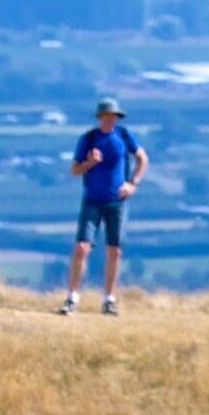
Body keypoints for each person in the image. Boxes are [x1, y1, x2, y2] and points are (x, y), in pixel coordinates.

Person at [64, 98, 146, 315]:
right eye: (107, 116)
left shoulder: (124, 136)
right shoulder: (89, 139)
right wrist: (90, 164)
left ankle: (109, 299)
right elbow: (74, 170)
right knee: (82, 247)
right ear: (100, 117)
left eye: (114, 116)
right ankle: (72, 297)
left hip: (117, 201)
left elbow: (142, 159)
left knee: (115, 250)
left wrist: (133, 183)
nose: (110, 120)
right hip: (93, 199)